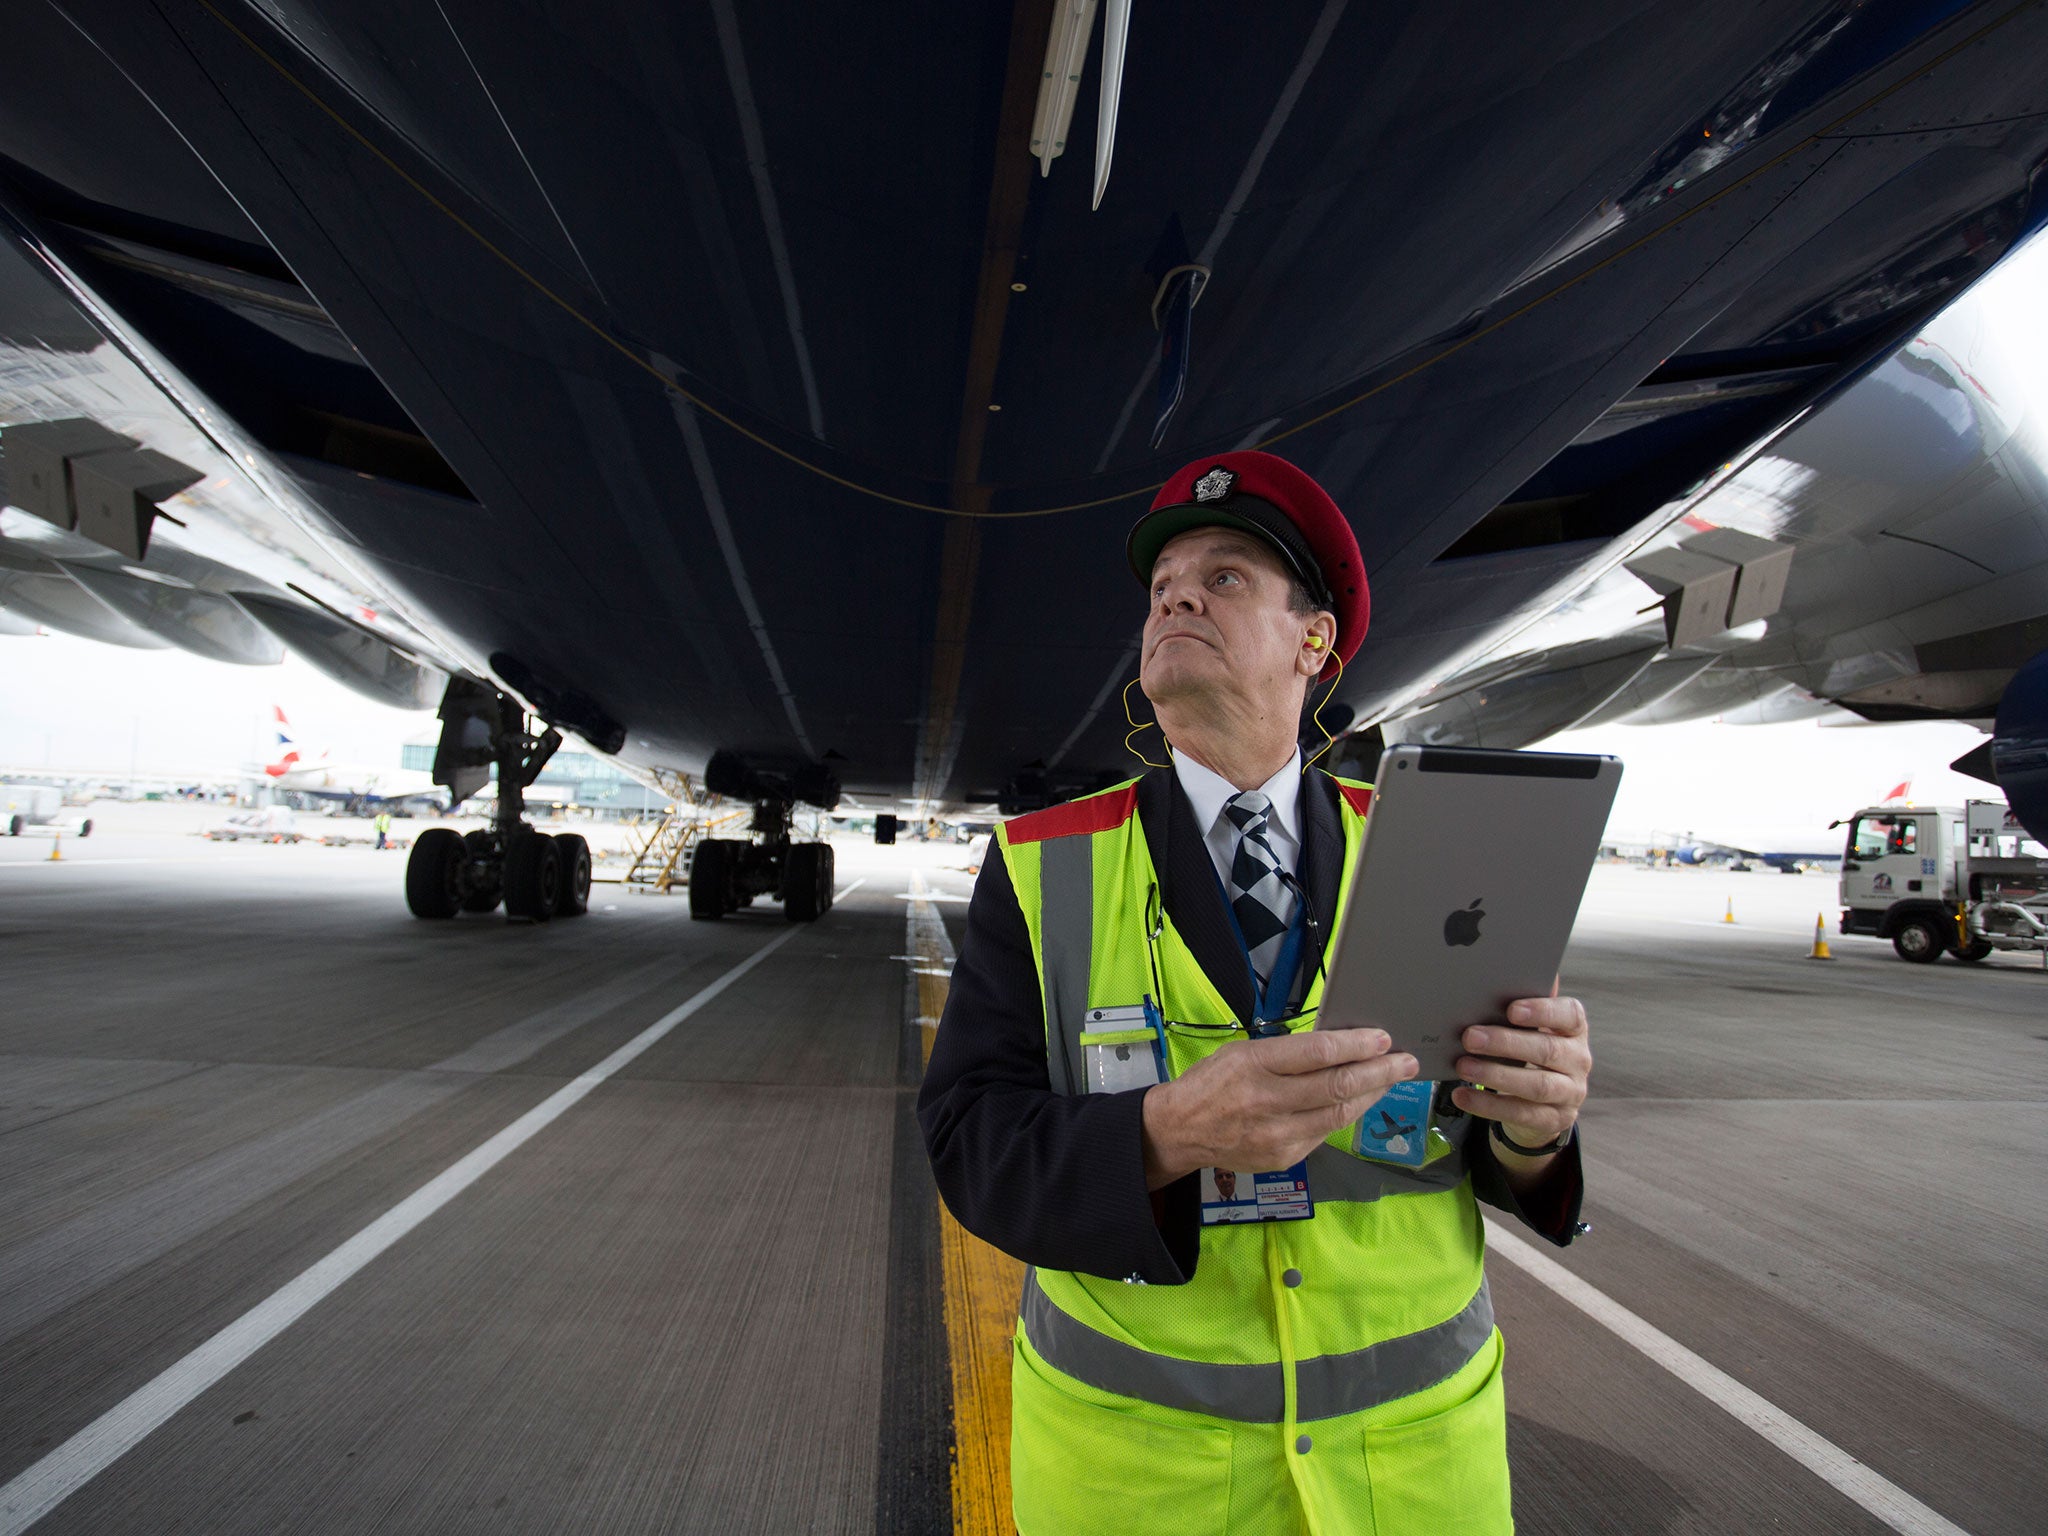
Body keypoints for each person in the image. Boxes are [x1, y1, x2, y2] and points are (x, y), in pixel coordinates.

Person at [919, 451, 1591, 1535]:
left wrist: (1538, 1128)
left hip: (1412, 1474)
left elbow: (1494, 1141)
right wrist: (1158, 1133)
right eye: (1162, 586)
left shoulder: (1431, 846)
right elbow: (968, 1142)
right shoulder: (1041, 862)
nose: (1176, 594)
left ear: (1312, 641)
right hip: (1136, 1481)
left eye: (1223, 577)